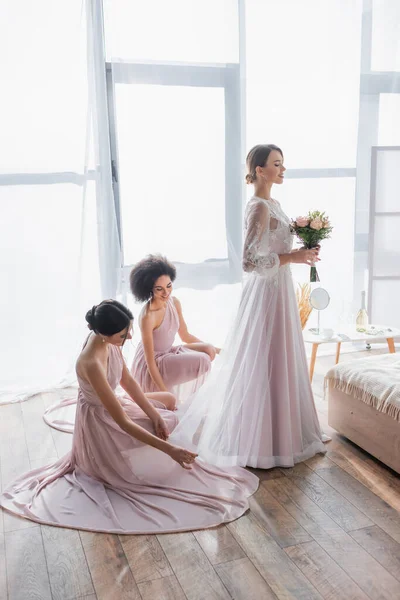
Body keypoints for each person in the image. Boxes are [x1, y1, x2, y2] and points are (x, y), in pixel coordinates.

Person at [0, 300, 258, 533]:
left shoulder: (107, 340)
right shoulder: (90, 362)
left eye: (128, 330)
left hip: (116, 405)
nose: (129, 336)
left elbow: (129, 382)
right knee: (165, 433)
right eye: (124, 334)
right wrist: (170, 450)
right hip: (103, 420)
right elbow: (121, 421)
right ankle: (133, 456)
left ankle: (150, 440)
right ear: (104, 333)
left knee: (166, 411)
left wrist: (153, 414)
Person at [171, 144, 329, 468]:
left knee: (281, 357)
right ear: (259, 170)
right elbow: (248, 261)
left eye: (283, 164)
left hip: (280, 289)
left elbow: (272, 248)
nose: (283, 169)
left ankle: (285, 434)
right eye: (277, 164)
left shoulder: (275, 203)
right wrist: (293, 257)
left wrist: (303, 252)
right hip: (265, 296)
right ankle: (258, 441)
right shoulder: (258, 207)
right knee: (261, 359)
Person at [130, 255, 218, 403]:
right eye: (159, 289)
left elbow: (185, 336)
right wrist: (166, 395)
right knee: (203, 361)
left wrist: (220, 350)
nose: (166, 293)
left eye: (169, 286)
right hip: (152, 363)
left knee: (209, 350)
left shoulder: (174, 302)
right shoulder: (147, 317)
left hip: (169, 352)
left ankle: (181, 389)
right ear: (149, 289)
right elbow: (150, 362)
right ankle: (174, 392)